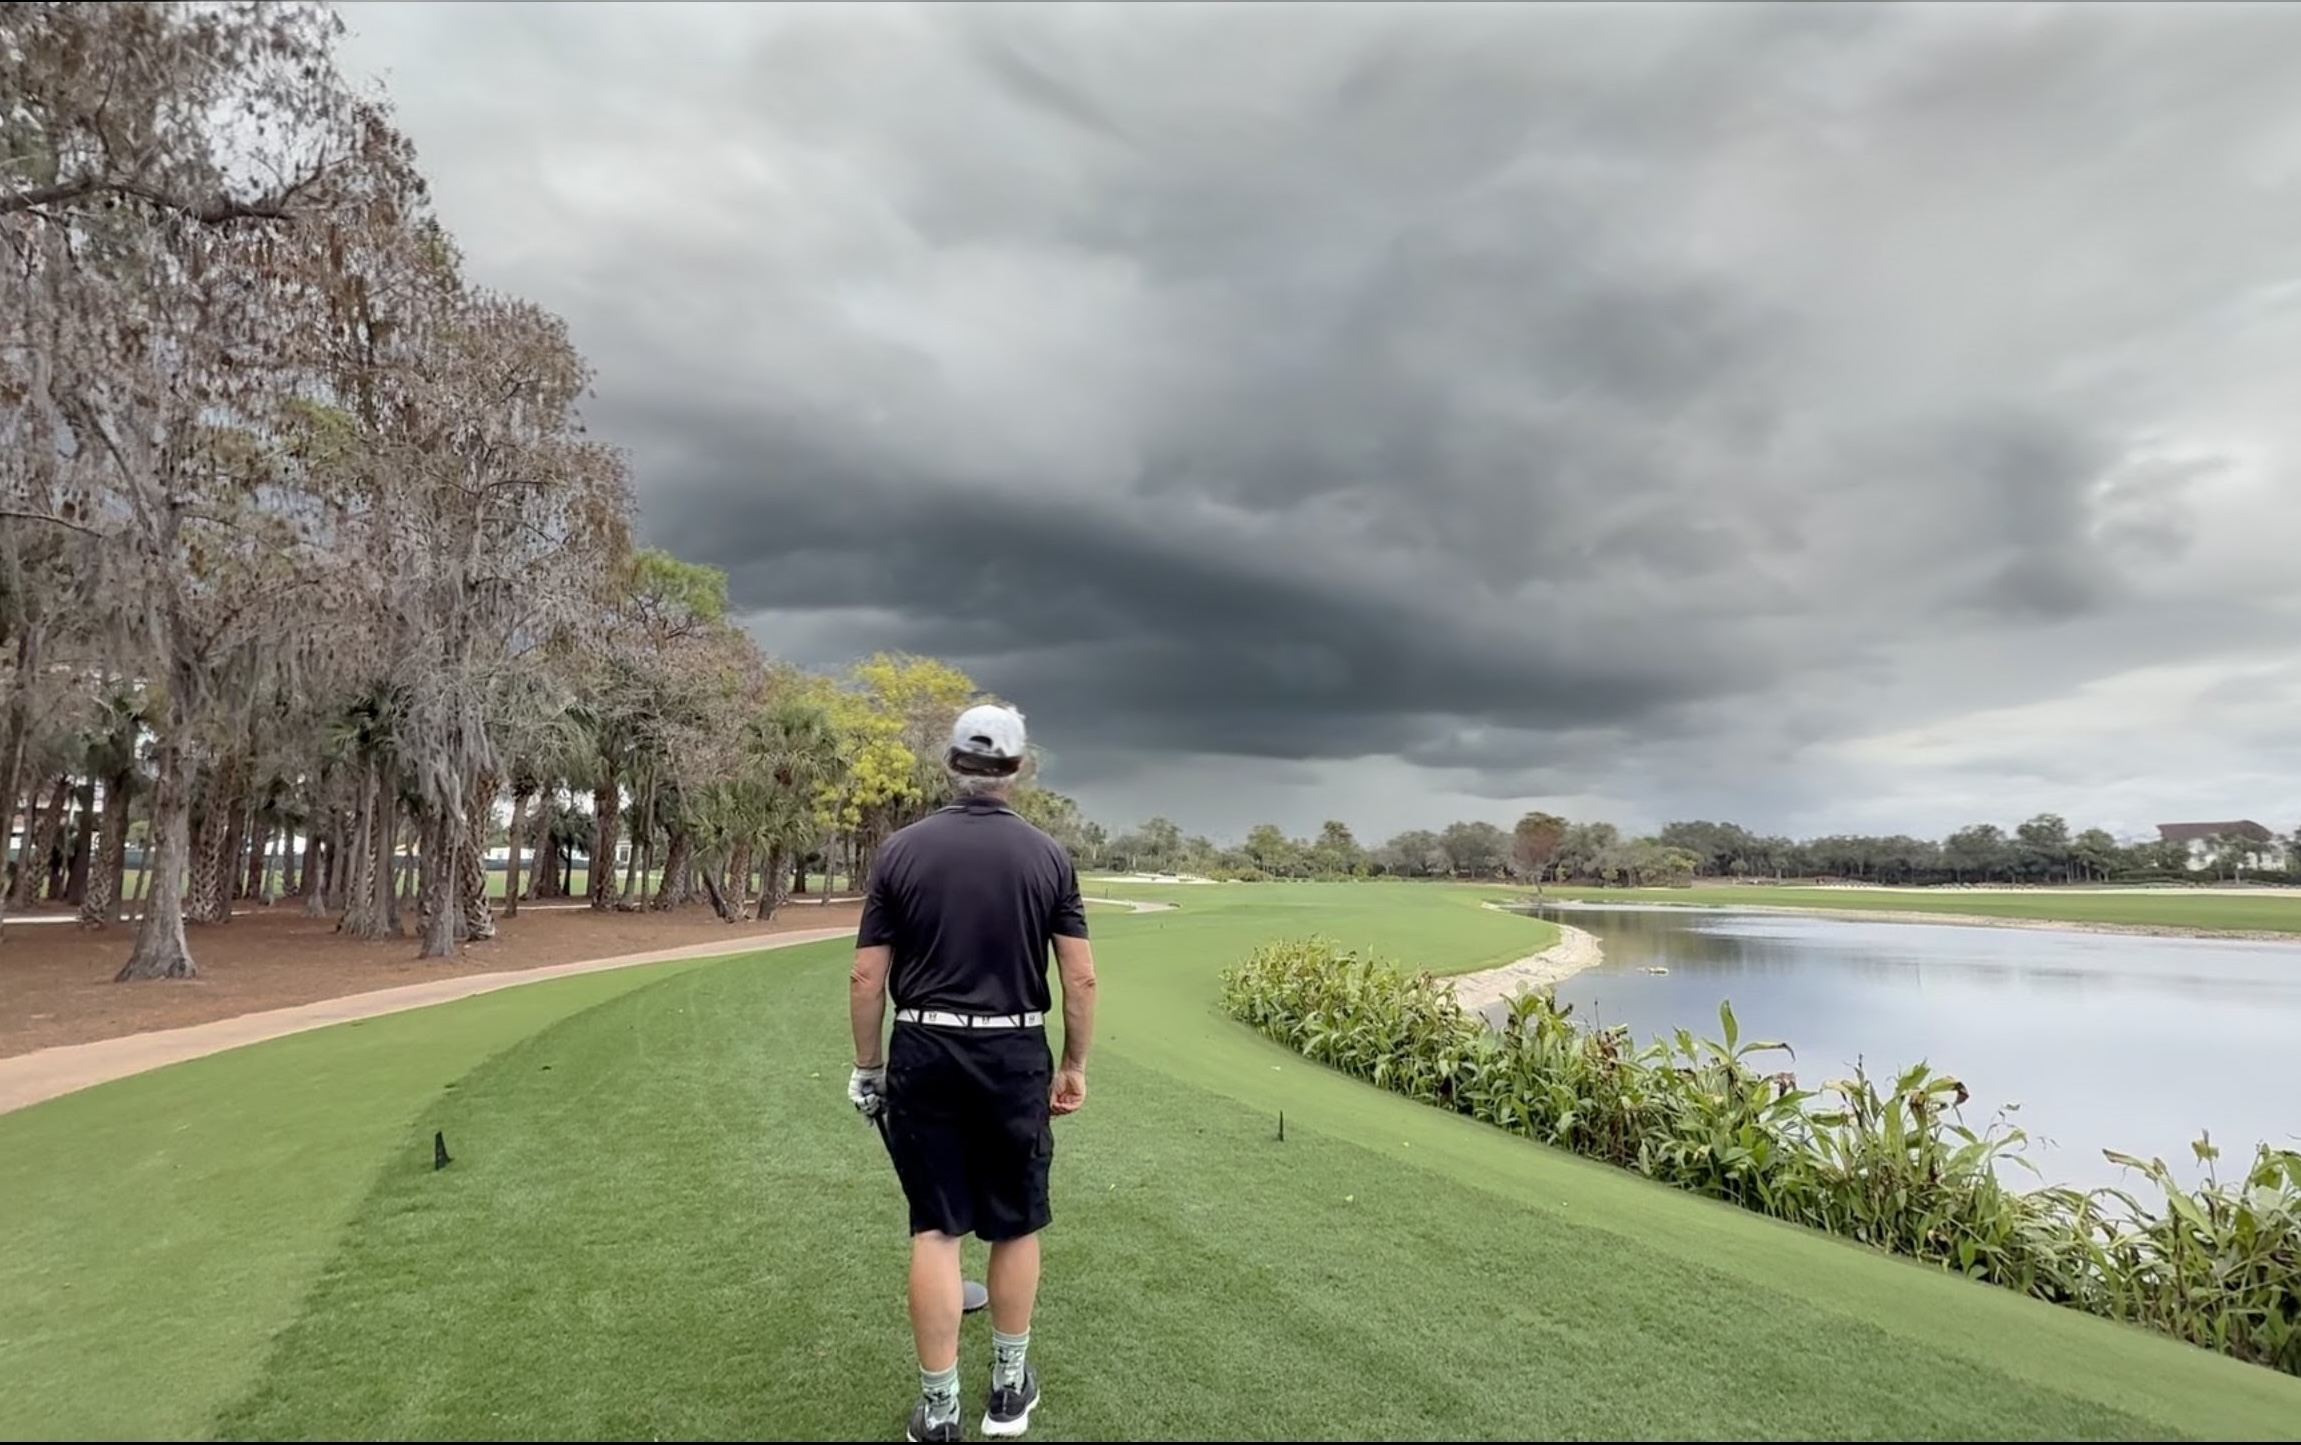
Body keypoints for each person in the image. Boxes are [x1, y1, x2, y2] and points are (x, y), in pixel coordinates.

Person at [846, 701, 1099, 1443]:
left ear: (952, 764)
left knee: (936, 1229)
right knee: (1013, 1224)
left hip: (924, 1048)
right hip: (1014, 1052)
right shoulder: (1048, 856)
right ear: (1017, 770)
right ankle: (1008, 1388)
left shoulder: (900, 851)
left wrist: (869, 1066)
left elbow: (867, 978)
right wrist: (1075, 1063)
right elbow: (1079, 979)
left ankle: (940, 1408)